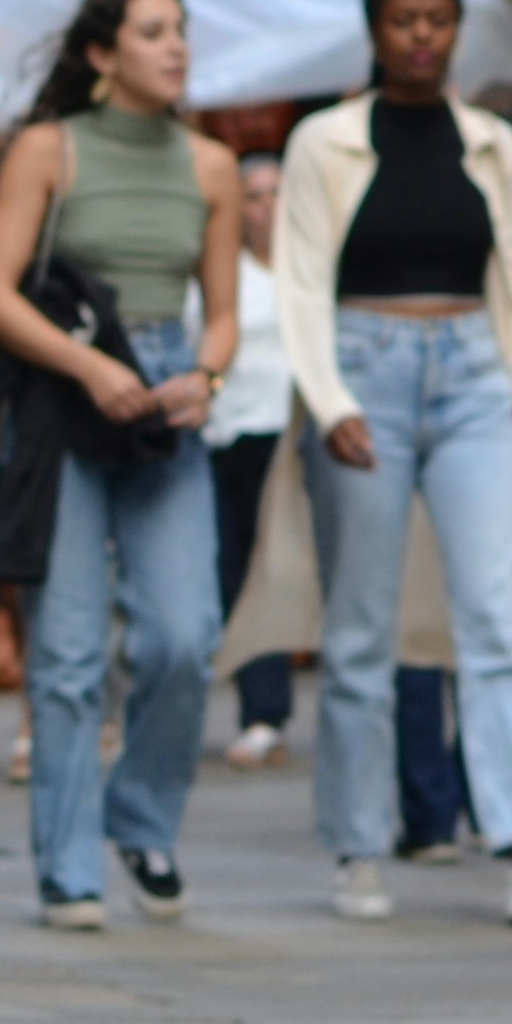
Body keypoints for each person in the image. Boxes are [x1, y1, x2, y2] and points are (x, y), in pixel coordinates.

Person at [276, 0, 512, 926]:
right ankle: (357, 845)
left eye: (436, 20)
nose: (420, 37)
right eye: (402, 20)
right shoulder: (320, 143)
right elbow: (297, 281)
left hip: (470, 374)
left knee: (498, 616)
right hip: (363, 368)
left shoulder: (495, 145)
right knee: (362, 624)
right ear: (373, 29)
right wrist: (328, 400)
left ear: (455, 29)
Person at [0, 0, 242, 931]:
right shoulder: (49, 150)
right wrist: (89, 369)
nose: (176, 49)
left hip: (165, 394)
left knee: (183, 634)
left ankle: (144, 818)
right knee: (69, 649)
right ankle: (69, 867)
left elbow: (224, 317)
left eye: (182, 31)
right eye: (154, 32)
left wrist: (202, 380)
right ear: (102, 55)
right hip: (65, 394)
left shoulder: (212, 166)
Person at [204, 150, 299, 768]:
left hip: (290, 435)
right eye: (254, 195)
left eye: (275, 193)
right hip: (228, 436)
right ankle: (260, 708)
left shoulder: (306, 269)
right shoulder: (224, 271)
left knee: (287, 572)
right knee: (237, 574)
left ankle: (272, 708)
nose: (265, 207)